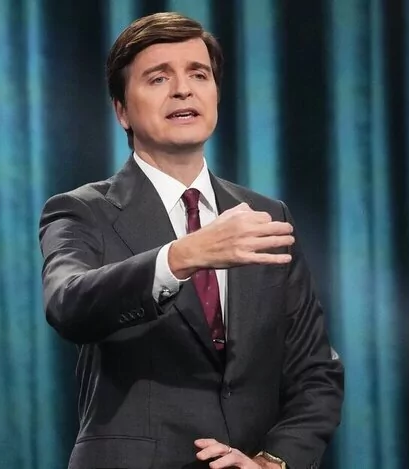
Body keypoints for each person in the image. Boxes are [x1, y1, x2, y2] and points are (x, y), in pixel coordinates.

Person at [38, 11, 344, 469]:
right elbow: (68, 304)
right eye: (158, 78)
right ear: (121, 110)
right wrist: (181, 256)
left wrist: (273, 460)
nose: (183, 89)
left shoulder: (265, 217)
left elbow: (315, 371)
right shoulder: (82, 210)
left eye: (198, 74)